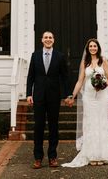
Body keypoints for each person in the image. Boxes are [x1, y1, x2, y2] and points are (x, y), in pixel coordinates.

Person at [62, 38, 108, 167]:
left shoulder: (103, 61)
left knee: (101, 123)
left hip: (101, 98)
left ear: (98, 48)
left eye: (95, 46)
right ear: (88, 48)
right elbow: (80, 82)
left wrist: (103, 85)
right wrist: (72, 96)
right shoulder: (85, 63)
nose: (93, 48)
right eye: (91, 46)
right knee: (90, 124)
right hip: (89, 98)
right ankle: (92, 155)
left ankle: (102, 155)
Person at [26, 30, 72, 169]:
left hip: (54, 96)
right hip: (39, 96)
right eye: (45, 37)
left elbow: (65, 77)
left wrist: (67, 95)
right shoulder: (35, 56)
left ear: (53, 40)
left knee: (53, 126)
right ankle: (38, 158)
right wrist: (29, 94)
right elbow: (31, 77)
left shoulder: (60, 56)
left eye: (50, 37)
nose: (48, 39)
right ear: (42, 40)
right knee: (38, 126)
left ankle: (52, 157)